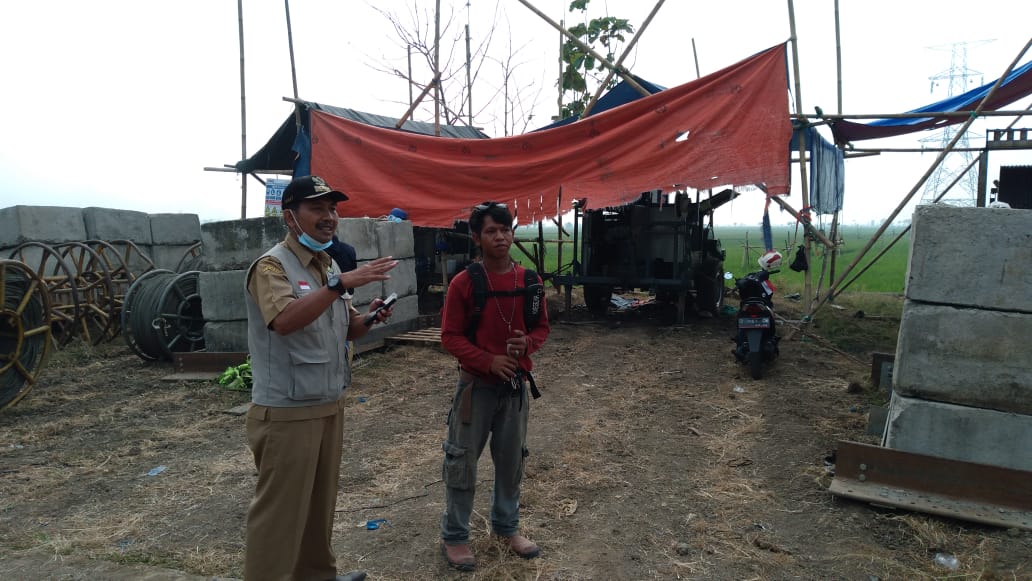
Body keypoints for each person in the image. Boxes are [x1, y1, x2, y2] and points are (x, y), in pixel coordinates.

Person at [243, 174, 398, 581]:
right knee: (280, 513)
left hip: (328, 403)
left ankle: (316, 575)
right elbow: (285, 321)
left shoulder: (326, 264)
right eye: (318, 208)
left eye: (332, 209)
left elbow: (347, 328)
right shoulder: (272, 266)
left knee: (318, 504)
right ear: (290, 216)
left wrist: (370, 317)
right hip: (287, 410)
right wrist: (339, 284)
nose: (329, 217)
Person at [438, 201, 550, 571]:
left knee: (511, 461)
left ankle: (506, 527)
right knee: (462, 461)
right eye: (491, 231)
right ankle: (455, 537)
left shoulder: (530, 282)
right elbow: (450, 337)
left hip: (515, 389)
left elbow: (542, 329)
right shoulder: (464, 283)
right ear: (476, 237)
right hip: (476, 389)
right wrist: (488, 360)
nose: (500, 237)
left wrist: (526, 345)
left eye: (505, 230)